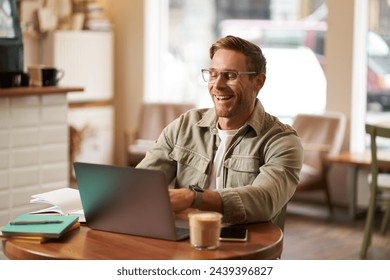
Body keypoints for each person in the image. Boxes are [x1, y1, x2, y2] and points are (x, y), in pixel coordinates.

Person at [137, 35, 303, 226]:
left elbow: (265, 200)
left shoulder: (282, 141)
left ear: (258, 82)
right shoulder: (185, 125)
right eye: (213, 74)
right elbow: (142, 185)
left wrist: (193, 197)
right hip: (183, 243)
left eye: (230, 76)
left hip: (247, 249)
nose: (217, 86)